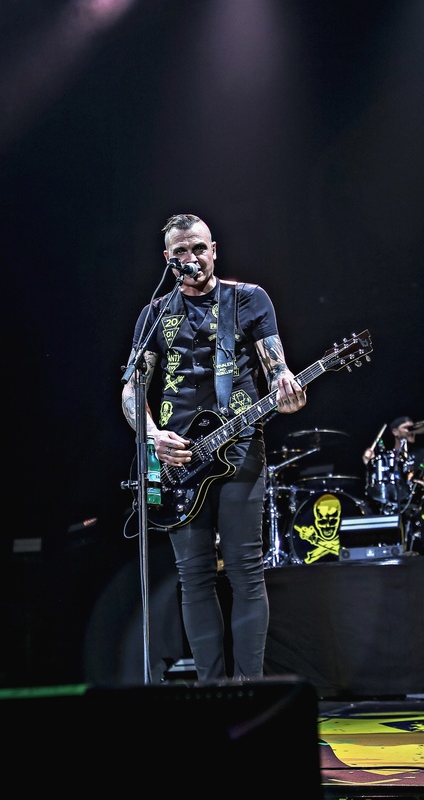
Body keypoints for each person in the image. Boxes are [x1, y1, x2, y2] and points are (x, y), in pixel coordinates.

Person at [120, 212, 308, 682]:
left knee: (245, 569)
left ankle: (251, 691)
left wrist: (286, 386)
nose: (192, 258)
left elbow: (276, 368)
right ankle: (211, 692)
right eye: (181, 251)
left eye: (199, 248)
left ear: (214, 250)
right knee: (194, 575)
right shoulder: (155, 313)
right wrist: (153, 436)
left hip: (239, 445)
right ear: (168, 259)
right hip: (178, 459)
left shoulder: (248, 299)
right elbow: (130, 390)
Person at [361, 415, 424, 511]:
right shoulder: (386, 457)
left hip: (414, 506)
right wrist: (369, 463)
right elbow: (374, 485)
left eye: (413, 428)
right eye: (407, 428)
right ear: (395, 432)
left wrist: (419, 484)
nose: (412, 431)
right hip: (385, 505)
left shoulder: (423, 454)